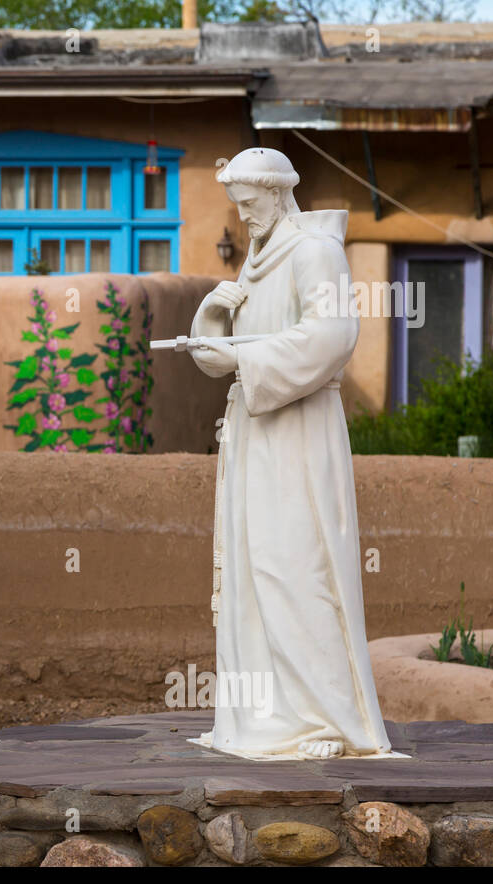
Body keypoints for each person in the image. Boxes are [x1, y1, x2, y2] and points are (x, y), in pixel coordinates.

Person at [187, 147, 392, 760]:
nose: (244, 219)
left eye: (251, 205)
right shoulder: (257, 257)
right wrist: (210, 320)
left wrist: (245, 358)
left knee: (296, 566)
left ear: (279, 193)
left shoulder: (315, 251)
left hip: (300, 430)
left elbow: (333, 335)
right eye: (238, 207)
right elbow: (221, 353)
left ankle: (322, 719)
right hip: (254, 428)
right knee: (253, 568)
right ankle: (267, 718)